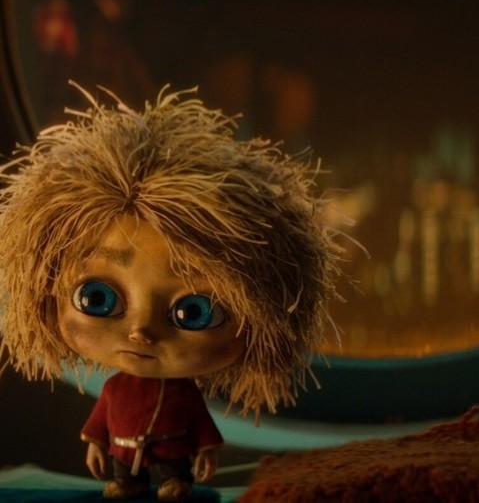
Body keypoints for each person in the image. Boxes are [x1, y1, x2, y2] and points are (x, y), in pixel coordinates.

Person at [0, 83, 343, 500]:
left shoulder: (184, 394)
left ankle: (171, 480)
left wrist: (206, 452)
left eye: (194, 311)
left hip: (172, 456)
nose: (141, 332)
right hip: (124, 456)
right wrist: (95, 444)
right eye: (97, 298)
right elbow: (100, 423)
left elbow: (201, 427)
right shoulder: (114, 391)